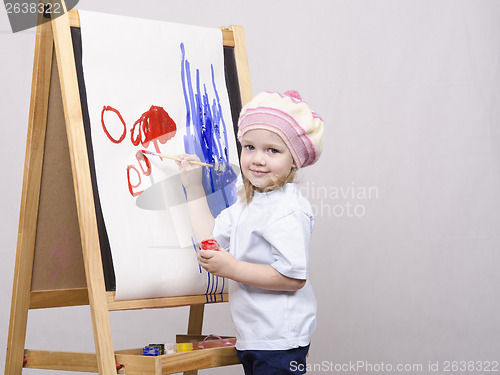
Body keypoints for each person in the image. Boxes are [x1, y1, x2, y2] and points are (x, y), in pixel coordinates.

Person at [176, 90, 324, 375]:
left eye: (273, 150)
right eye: (249, 147)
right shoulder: (248, 203)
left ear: (294, 159)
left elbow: (293, 278)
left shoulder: (288, 209)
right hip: (256, 337)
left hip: (280, 340)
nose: (257, 159)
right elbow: (211, 234)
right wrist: (193, 187)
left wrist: (231, 267)